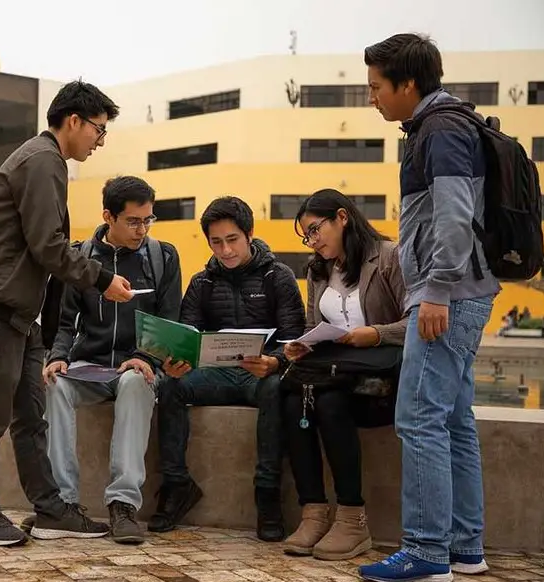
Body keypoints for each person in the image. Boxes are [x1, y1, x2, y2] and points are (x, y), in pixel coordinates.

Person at [0, 81, 134, 547]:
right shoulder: (42, 160)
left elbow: (41, 249)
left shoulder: (45, 160)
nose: (99, 140)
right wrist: (101, 279)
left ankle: (51, 509)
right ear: (73, 121)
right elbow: (47, 245)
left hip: (19, 313)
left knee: (31, 418)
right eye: (98, 129)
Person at [359, 33, 500, 582]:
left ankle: (425, 551)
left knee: (418, 418)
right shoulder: (445, 126)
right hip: (468, 292)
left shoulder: (439, 130)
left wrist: (436, 290)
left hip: (448, 296)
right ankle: (466, 547)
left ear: (407, 83)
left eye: (376, 87)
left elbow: (454, 217)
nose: (371, 97)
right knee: (455, 421)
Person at [148, 196, 305, 541]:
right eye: (216, 242)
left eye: (232, 240)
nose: (226, 250)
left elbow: (295, 341)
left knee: (277, 388)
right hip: (215, 375)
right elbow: (186, 336)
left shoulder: (278, 277)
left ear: (249, 234)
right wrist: (175, 362)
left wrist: (274, 361)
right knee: (170, 386)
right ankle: (176, 484)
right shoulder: (202, 282)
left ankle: (267, 493)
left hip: (260, 374)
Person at [38, 175, 182, 544]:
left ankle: (123, 505)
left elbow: (168, 322)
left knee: (136, 382)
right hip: (91, 366)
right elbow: (65, 321)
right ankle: (63, 504)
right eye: (134, 221)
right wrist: (57, 356)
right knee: (54, 385)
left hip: (139, 367)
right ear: (108, 216)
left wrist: (144, 356)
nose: (142, 229)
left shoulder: (162, 257)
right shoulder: (81, 258)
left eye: (149, 220)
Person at [280, 189, 407, 560]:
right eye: (306, 236)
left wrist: (376, 334)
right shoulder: (317, 269)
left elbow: (417, 320)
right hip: (336, 369)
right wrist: (302, 345)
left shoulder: (388, 257)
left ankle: (352, 518)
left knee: (330, 402)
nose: (312, 241)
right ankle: (314, 512)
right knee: (290, 397)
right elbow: (313, 326)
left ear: (342, 217)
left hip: (378, 380)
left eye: (316, 230)